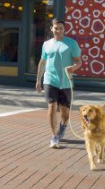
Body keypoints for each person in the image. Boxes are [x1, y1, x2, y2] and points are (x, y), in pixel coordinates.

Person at [35, 19, 82, 148]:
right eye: (56, 28)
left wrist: (73, 68)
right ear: (52, 29)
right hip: (50, 80)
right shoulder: (46, 44)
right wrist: (38, 79)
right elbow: (42, 62)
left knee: (65, 113)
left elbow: (79, 61)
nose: (58, 30)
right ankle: (54, 136)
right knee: (51, 107)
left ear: (64, 29)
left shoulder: (72, 44)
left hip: (66, 82)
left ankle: (63, 126)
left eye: (61, 28)